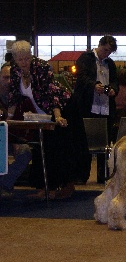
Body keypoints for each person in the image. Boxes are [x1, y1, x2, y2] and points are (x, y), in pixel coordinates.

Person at [8, 40, 75, 199]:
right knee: (40, 147)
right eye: (20, 59)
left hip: (62, 108)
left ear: (31, 55)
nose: (24, 62)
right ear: (15, 58)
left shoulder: (42, 67)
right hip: (39, 113)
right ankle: (43, 188)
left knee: (56, 147)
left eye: (27, 58)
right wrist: (8, 120)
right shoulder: (15, 70)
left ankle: (63, 187)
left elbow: (52, 94)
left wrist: (58, 117)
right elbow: (14, 96)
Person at [74, 35, 119, 183]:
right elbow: (81, 77)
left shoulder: (110, 64)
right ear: (99, 45)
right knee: (84, 142)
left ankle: (102, 176)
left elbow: (115, 82)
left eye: (110, 52)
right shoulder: (85, 58)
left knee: (104, 143)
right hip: (87, 106)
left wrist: (113, 90)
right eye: (105, 50)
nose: (107, 53)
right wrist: (94, 85)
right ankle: (81, 176)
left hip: (105, 108)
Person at [0, 62, 32, 199]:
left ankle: (4, 184)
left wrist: (15, 141)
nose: (8, 81)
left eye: (11, 78)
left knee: (26, 152)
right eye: (5, 77)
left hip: (15, 139)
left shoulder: (21, 97)